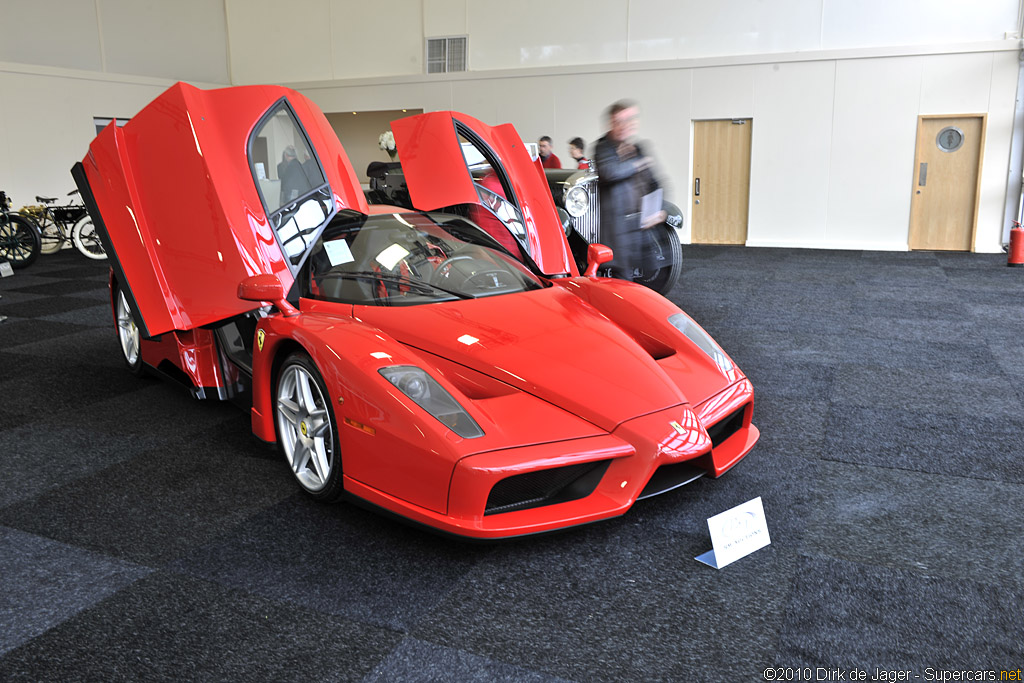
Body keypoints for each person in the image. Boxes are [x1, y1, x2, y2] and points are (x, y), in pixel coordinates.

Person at [594, 100, 666, 281]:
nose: (625, 125)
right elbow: (610, 172)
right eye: (619, 121)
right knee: (624, 277)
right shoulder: (602, 147)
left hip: (641, 224)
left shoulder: (640, 147)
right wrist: (639, 163)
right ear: (611, 123)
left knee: (650, 272)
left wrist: (659, 208)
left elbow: (655, 182)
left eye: (630, 119)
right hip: (618, 227)